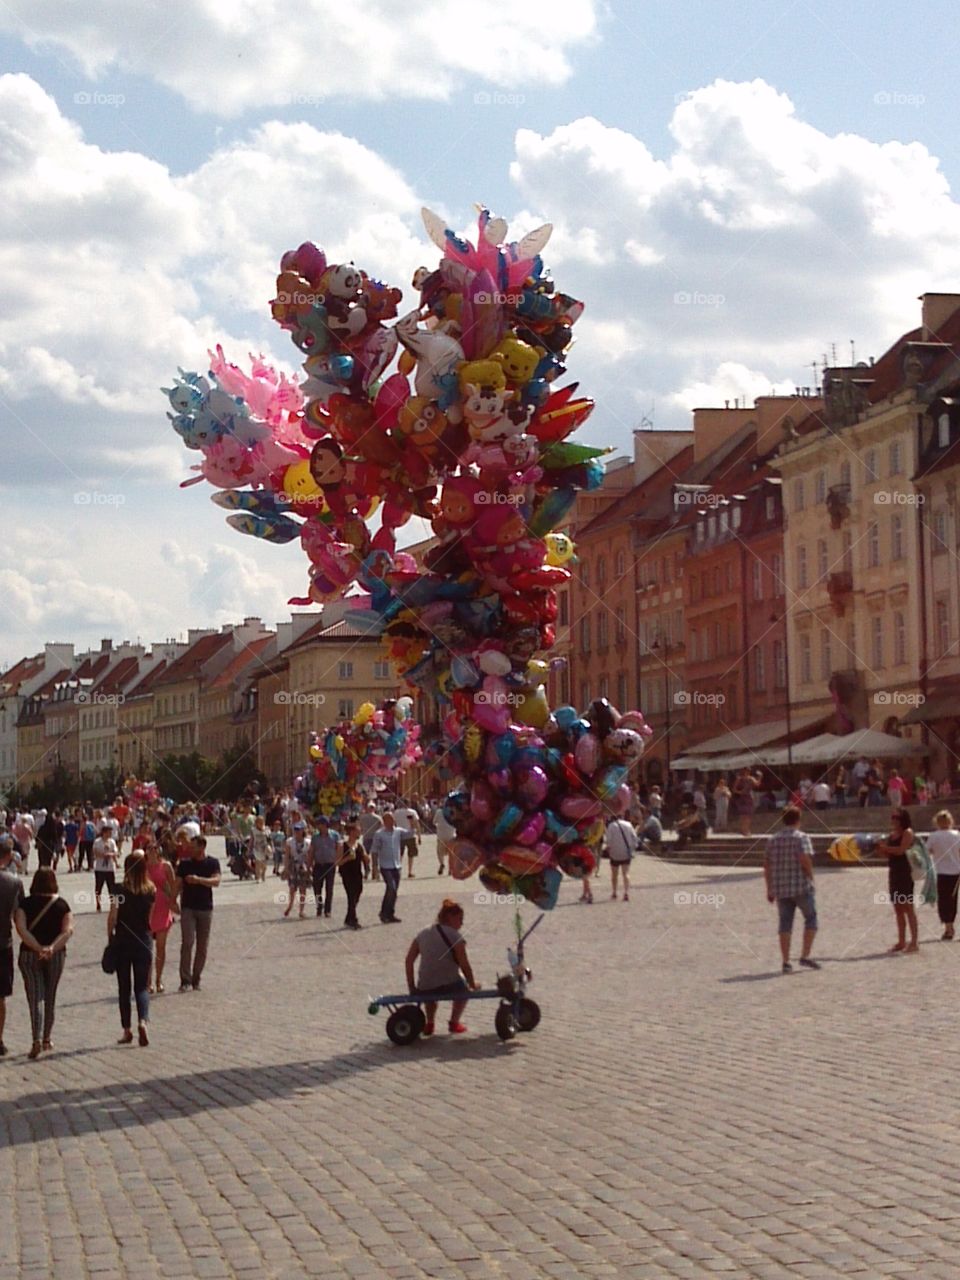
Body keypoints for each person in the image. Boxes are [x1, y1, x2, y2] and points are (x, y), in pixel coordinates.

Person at [14, 868, 73, 1058]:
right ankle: (47, 1038)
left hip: (30, 955)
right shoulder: (62, 905)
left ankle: (36, 1039)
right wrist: (51, 948)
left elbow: (21, 928)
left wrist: (37, 947)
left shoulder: (25, 904)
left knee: (35, 996)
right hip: (55, 955)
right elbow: (67, 931)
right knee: (50, 995)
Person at [405, 899, 480, 1036]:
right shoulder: (455, 936)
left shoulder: (423, 933)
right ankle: (454, 1021)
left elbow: (409, 961)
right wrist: (472, 983)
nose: (462, 923)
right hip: (449, 983)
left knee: (429, 993)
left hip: (425, 985)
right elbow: (464, 964)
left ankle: (430, 1023)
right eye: (460, 919)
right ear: (450, 918)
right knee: (463, 990)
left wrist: (412, 986)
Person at [763, 806, 819, 974]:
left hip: (781, 888)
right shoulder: (801, 837)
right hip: (801, 886)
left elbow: (767, 866)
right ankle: (805, 955)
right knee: (811, 918)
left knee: (785, 924)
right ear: (798, 819)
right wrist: (811, 876)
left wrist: (769, 888)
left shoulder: (773, 839)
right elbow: (804, 859)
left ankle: (786, 961)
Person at [107, 853, 155, 1045]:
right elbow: (149, 919)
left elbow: (113, 916)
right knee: (142, 987)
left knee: (124, 987)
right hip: (143, 939)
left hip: (123, 940)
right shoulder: (151, 889)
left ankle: (127, 1030)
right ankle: (143, 1021)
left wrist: (110, 936)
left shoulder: (119, 889)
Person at [175, 835, 221, 992]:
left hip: (205, 908)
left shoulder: (212, 862)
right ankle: (185, 979)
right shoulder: (185, 864)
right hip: (188, 907)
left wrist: (198, 880)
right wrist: (171, 901)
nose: (190, 849)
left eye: (193, 847)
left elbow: (216, 881)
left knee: (202, 946)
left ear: (202, 847)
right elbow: (177, 884)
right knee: (187, 942)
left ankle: (196, 978)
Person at [874, 808, 918, 954]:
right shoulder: (892, 835)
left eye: (896, 818)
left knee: (908, 908)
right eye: (892, 817)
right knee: (898, 909)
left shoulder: (908, 832)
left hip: (905, 872)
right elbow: (887, 855)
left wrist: (886, 848)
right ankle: (901, 941)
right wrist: (879, 848)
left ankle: (914, 942)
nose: (893, 820)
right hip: (894, 872)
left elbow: (901, 850)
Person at [0, 837, 25, 1057]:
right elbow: (20, 918)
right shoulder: (14, 883)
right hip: (3, 942)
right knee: (0, 996)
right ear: (8, 857)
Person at [145, 841, 178, 993]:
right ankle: (148, 981)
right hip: (147, 909)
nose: (152, 851)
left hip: (163, 908)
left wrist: (173, 901)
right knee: (147, 949)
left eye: (155, 848)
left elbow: (173, 886)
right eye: (149, 849)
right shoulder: (142, 867)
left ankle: (159, 979)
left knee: (161, 947)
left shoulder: (166, 866)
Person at [927, 809, 960, 941]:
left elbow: (927, 850)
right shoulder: (956, 835)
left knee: (944, 900)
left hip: (941, 871)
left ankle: (948, 927)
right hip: (956, 871)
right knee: (953, 900)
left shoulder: (934, 836)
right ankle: (950, 925)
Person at [371, 812, 408, 923]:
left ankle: (390, 913)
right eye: (388, 820)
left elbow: (410, 834)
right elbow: (374, 850)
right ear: (384, 821)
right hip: (385, 865)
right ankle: (383, 912)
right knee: (391, 888)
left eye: (392, 819)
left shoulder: (398, 831)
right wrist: (375, 867)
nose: (391, 822)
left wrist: (413, 822)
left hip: (396, 865)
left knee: (394, 890)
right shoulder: (379, 834)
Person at [337, 821, 369, 929]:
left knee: (358, 893)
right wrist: (347, 858)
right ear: (351, 832)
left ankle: (348, 917)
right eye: (357, 830)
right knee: (351, 895)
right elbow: (337, 862)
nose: (359, 832)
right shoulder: (342, 845)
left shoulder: (359, 845)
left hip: (357, 873)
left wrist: (366, 859)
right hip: (347, 874)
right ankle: (353, 919)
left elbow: (365, 858)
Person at [309, 817, 341, 918]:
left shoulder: (335, 835)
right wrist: (309, 864)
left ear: (325, 825)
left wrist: (338, 861)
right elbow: (312, 851)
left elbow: (339, 848)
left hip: (330, 864)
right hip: (318, 864)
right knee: (317, 887)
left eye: (320, 824)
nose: (318, 826)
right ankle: (319, 906)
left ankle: (328, 910)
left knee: (329, 888)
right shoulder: (315, 837)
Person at [604, 812, 638, 901]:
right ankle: (626, 892)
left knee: (614, 874)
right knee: (626, 873)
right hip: (626, 853)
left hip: (615, 853)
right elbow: (634, 838)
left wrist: (608, 850)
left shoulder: (611, 826)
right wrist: (632, 849)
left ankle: (614, 892)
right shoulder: (628, 824)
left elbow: (609, 841)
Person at [283, 822, 311, 918]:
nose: (297, 832)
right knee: (292, 888)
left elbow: (310, 856)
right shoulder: (290, 841)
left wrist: (310, 868)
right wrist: (286, 868)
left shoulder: (308, 842)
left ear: (303, 830)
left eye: (299, 830)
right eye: (295, 830)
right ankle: (290, 905)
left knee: (303, 889)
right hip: (293, 865)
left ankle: (301, 910)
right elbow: (287, 856)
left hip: (303, 867)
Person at [92, 822, 119, 913]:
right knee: (98, 887)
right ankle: (98, 903)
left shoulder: (112, 842)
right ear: (104, 832)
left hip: (110, 868)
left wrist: (111, 855)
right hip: (100, 868)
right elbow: (95, 852)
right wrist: (103, 855)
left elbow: (116, 852)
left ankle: (113, 904)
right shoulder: (97, 842)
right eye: (108, 832)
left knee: (111, 887)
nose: (110, 834)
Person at [391, 799, 422, 878]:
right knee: (411, 855)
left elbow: (393, 823)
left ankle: (398, 871)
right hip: (410, 835)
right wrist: (419, 836)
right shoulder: (411, 812)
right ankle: (410, 871)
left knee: (399, 854)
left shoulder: (396, 812)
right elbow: (416, 823)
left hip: (399, 835)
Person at [732, 769, 762, 836]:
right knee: (743, 815)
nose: (746, 772)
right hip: (741, 798)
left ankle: (747, 830)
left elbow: (757, 784)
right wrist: (740, 792)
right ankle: (743, 830)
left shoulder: (751, 778)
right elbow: (734, 789)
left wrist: (760, 777)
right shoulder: (739, 779)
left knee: (748, 815)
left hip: (749, 797)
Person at [358, 802, 382, 880]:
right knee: (375, 856)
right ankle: (375, 873)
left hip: (366, 837)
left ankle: (366, 870)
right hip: (375, 838)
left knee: (365, 856)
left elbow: (360, 827)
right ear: (374, 808)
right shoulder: (378, 818)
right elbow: (381, 827)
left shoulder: (362, 818)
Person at [434, 803, 455, 876]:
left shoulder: (439, 812)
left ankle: (442, 863)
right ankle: (450, 869)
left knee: (440, 852)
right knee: (451, 854)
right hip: (451, 835)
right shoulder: (453, 812)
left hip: (441, 835)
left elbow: (434, 822)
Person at [249, 816, 271, 883]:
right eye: (259, 822)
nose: (261, 824)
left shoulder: (267, 829)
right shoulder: (253, 830)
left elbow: (269, 839)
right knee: (258, 863)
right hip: (257, 848)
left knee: (264, 865)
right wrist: (250, 848)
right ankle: (258, 877)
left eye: (262, 822)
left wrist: (271, 847)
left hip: (265, 848)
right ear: (256, 823)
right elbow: (252, 839)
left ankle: (263, 873)